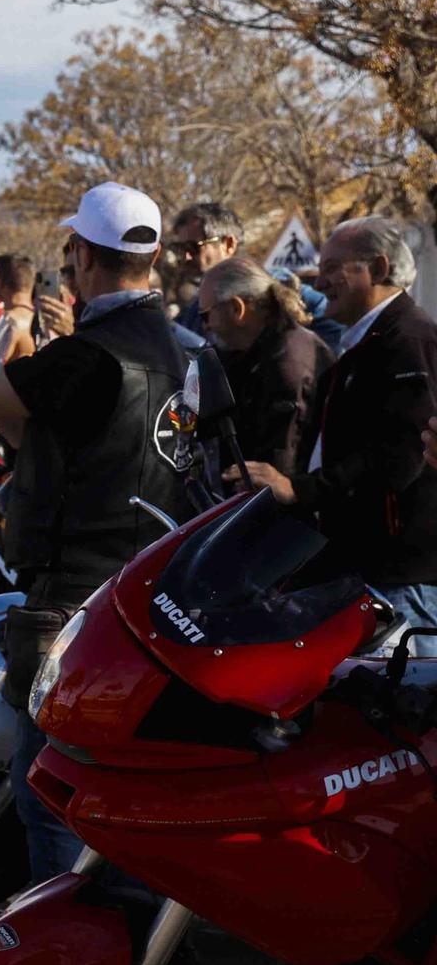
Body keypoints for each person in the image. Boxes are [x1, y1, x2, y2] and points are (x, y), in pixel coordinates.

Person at [0, 181, 194, 882]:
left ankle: (79, 957)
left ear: (80, 254)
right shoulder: (176, 349)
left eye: (72, 248)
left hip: (75, 597)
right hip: (139, 591)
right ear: (156, 256)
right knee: (94, 786)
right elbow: (12, 408)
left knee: (48, 787)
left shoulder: (90, 354)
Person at [233, 218, 437, 646]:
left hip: (398, 581)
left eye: (332, 267)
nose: (318, 280)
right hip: (361, 571)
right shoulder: (368, 341)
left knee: (401, 704)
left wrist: (300, 489)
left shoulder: (406, 340)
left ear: (378, 269)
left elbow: (399, 458)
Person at [196, 257, 334, 479]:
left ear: (236, 308)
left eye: (205, 315)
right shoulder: (246, 353)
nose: (205, 326)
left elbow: (280, 466)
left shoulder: (287, 364)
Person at [166, 202, 243, 339]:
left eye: (193, 247)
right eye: (180, 248)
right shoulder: (197, 303)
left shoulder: (252, 299)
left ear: (228, 244)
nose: (186, 256)